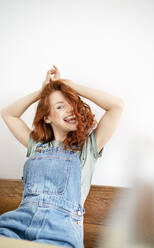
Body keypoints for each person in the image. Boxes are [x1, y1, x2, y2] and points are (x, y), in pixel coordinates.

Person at [0, 65, 124, 248]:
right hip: (19, 222)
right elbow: (8, 114)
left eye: (72, 105)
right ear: (47, 117)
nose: (70, 110)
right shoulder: (36, 146)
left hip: (60, 231)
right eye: (60, 106)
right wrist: (41, 92)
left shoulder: (87, 148)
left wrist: (71, 86)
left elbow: (117, 106)